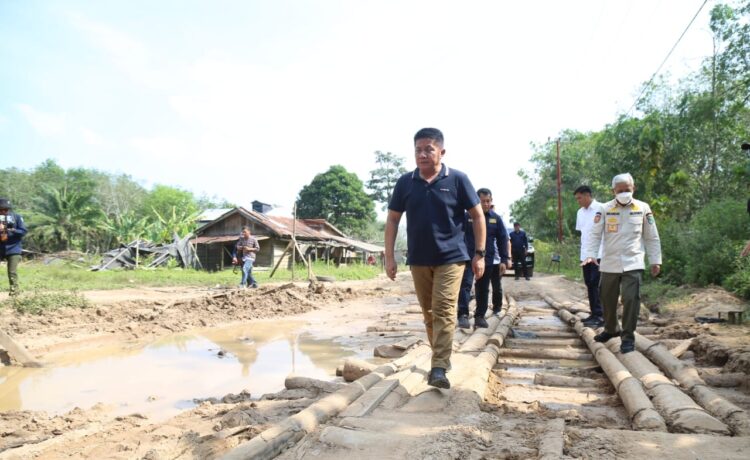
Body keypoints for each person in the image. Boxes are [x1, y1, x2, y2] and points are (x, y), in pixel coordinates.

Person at [385, 127, 486, 389]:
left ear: (441, 151)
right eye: (418, 149)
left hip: (452, 258)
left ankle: (439, 366)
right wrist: (389, 257)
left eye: (429, 149)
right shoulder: (406, 182)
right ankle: (441, 357)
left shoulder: (458, 180)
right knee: (429, 313)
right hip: (418, 259)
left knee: (443, 309)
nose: (423, 154)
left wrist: (480, 254)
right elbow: (393, 219)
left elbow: (477, 216)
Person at [583, 173, 662, 354]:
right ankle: (611, 329)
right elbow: (595, 234)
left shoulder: (643, 208)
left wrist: (655, 260)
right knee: (607, 299)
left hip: (633, 262)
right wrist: (590, 254)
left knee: (630, 299)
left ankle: (628, 337)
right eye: (620, 191)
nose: (624, 193)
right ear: (614, 191)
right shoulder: (604, 209)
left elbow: (651, 236)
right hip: (609, 262)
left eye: (627, 190)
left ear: (633, 189)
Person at [457, 188, 508, 329]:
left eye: (488, 201)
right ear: (476, 201)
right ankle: (463, 315)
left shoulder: (495, 219)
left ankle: (480, 316)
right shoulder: (467, 216)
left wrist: (504, 259)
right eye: (482, 201)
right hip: (467, 257)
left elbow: (503, 239)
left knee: (483, 288)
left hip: (487, 260)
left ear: (491, 201)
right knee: (465, 286)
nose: (486, 204)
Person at [574, 185, 605, 328]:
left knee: (596, 283)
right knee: (589, 283)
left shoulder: (602, 208)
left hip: (599, 253)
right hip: (585, 254)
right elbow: (583, 233)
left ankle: (601, 315)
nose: (578, 201)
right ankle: (594, 313)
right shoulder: (580, 212)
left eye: (579, 198)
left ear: (587, 195)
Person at [0, 198, 27, 296]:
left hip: (13, 248)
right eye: (1, 210)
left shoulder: (17, 217)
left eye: (6, 210)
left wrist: (12, 229)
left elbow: (23, 231)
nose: (3, 212)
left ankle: (14, 292)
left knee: (12, 272)